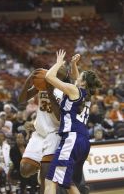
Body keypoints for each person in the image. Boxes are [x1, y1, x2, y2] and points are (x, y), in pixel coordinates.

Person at [44, 49, 102, 194]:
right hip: (83, 141)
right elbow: (76, 77)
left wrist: (58, 63)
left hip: (72, 139)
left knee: (50, 181)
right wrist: (73, 64)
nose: (76, 77)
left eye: (80, 77)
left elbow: (48, 76)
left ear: (82, 82)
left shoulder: (73, 90)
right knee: (67, 182)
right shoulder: (87, 96)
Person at [18, 67, 67, 193]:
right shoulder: (43, 83)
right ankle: (44, 164)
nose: (53, 72)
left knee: (45, 176)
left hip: (54, 133)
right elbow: (21, 100)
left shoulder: (65, 91)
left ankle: (47, 167)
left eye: (58, 72)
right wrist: (28, 82)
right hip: (39, 133)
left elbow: (59, 117)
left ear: (63, 76)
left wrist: (50, 92)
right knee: (25, 170)